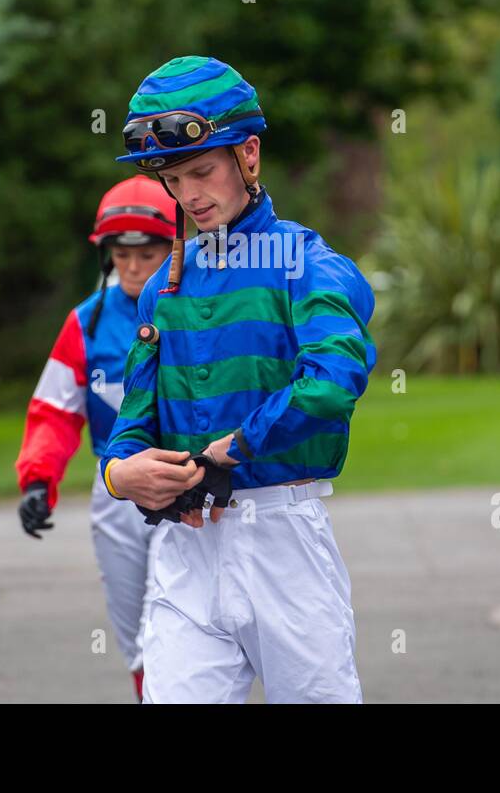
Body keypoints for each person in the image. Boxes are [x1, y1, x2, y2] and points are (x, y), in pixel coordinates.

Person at [100, 55, 377, 703]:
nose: (189, 194)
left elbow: (334, 378)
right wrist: (123, 475)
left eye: (202, 171)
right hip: (184, 551)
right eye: (173, 178)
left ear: (248, 154)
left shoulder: (310, 264)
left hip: (284, 544)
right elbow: (130, 427)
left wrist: (238, 445)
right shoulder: (160, 289)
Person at [13, 175, 175, 700]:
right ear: (106, 255)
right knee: (134, 633)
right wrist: (38, 480)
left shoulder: (200, 314)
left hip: (187, 486)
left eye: (147, 254)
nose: (132, 268)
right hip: (118, 491)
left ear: (173, 249)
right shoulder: (84, 323)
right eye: (121, 254)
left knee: (177, 626)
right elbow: (54, 413)